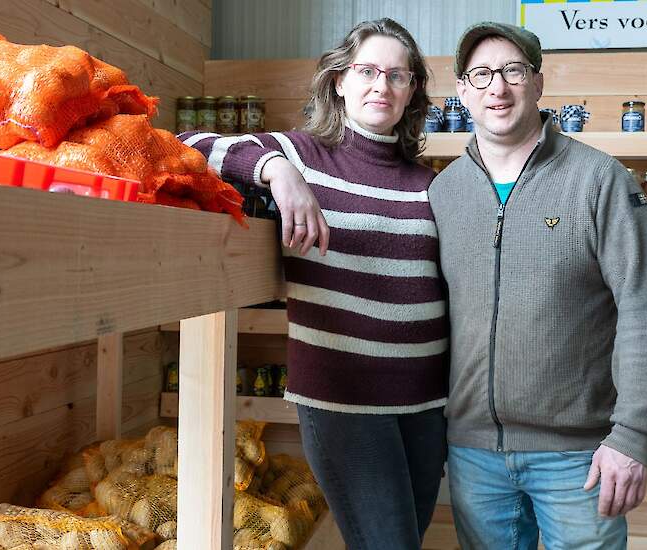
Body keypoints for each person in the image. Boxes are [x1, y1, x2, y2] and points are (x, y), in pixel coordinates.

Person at [180, 18, 448, 550]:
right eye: (367, 71)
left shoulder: (429, 181)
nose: (381, 86)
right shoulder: (303, 155)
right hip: (344, 400)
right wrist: (277, 170)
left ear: (412, 90)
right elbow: (185, 144)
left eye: (398, 76)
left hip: (426, 404)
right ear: (339, 81)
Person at [429, 22, 647, 549]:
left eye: (513, 71)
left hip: (580, 457)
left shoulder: (598, 179)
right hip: (473, 453)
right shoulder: (444, 192)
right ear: (462, 93)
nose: (497, 87)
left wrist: (633, 436)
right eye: (481, 75)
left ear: (539, 84)